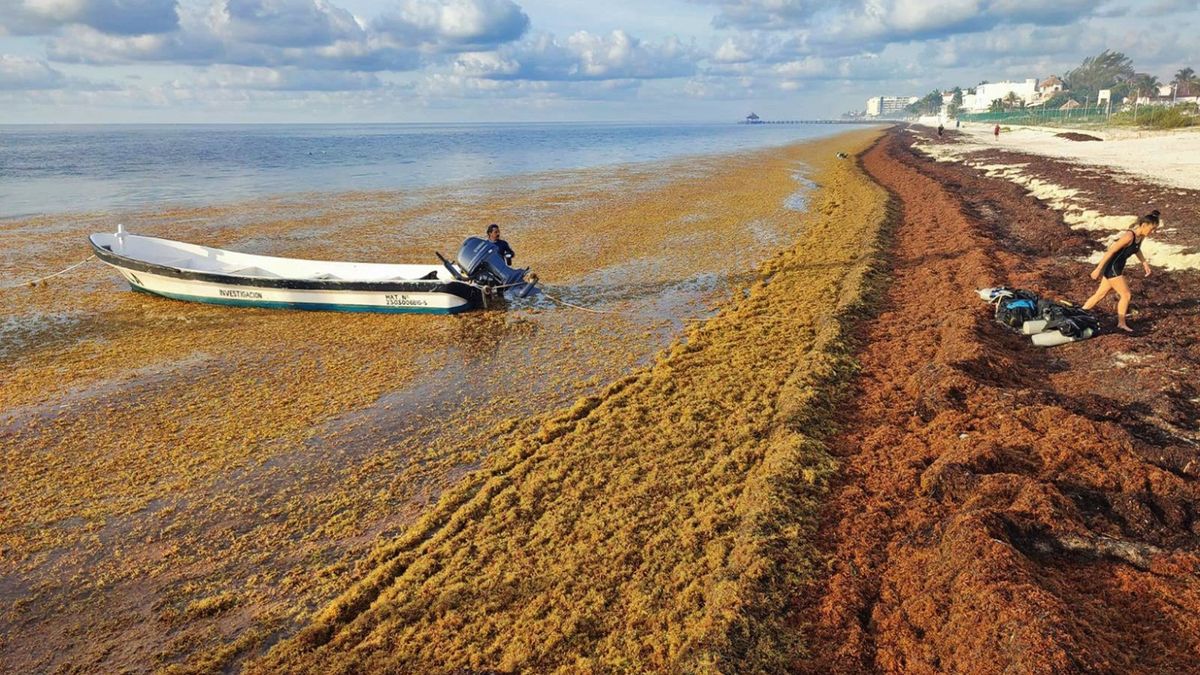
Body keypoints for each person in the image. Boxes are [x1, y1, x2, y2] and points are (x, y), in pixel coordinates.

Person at [1081, 210, 1160, 332]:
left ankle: (1080, 312)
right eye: (1152, 229)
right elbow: (1111, 251)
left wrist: (1144, 263)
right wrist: (1098, 269)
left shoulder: (1141, 237)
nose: (1153, 232)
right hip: (1113, 268)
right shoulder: (1129, 236)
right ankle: (1121, 323)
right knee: (1126, 295)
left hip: (1117, 267)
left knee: (1099, 295)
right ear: (1143, 225)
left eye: (1155, 229)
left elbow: (1137, 250)